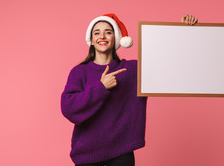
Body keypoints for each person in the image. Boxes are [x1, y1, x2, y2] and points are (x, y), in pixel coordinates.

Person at [61, 13, 198, 166]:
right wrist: (101, 87)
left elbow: (167, 62)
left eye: (108, 32)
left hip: (122, 152)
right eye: (97, 32)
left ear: (116, 38)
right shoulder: (79, 72)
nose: (102, 36)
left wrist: (185, 32)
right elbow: (68, 109)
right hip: (87, 153)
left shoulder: (133, 70)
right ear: (91, 40)